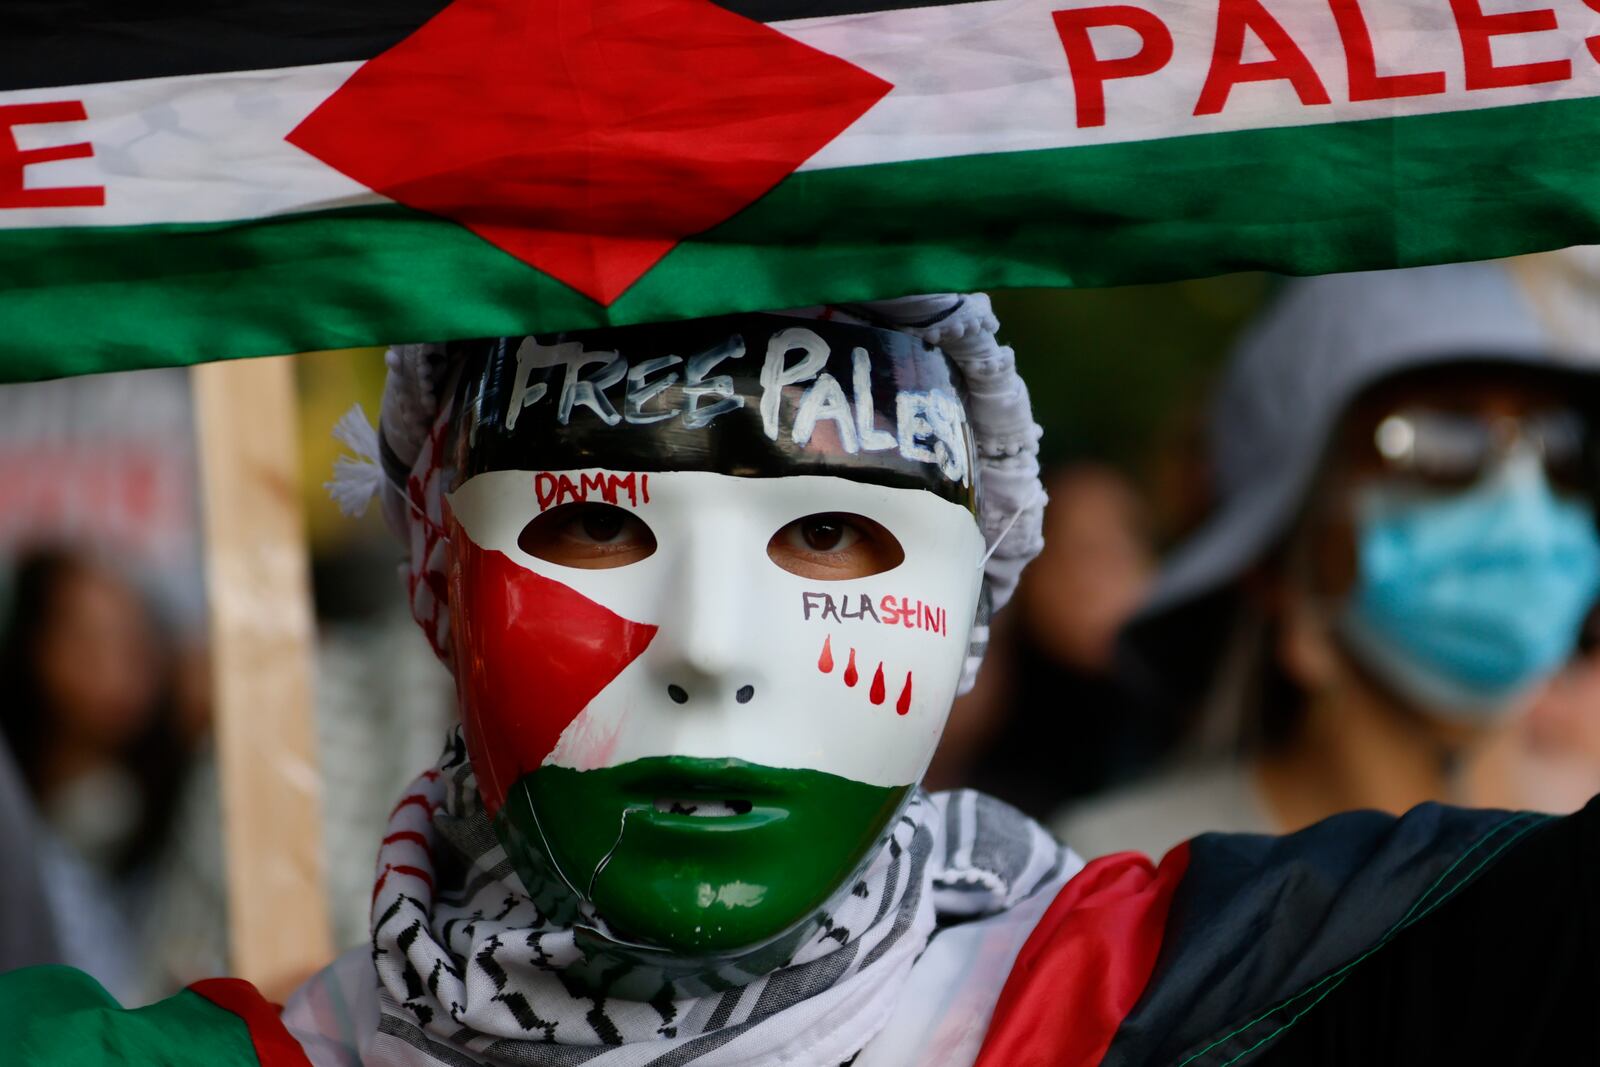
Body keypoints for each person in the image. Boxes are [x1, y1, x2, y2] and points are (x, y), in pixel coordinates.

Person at [4, 293, 1597, 1066]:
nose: (710, 641)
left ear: (978, 601)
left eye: (833, 533)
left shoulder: (1181, 1001)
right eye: (593, 526)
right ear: (436, 584)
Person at [1057, 262, 1600, 860]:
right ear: (1279, 567)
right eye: (1439, 440)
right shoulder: (1112, 889)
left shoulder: (1580, 873)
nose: (1523, 505)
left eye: (1559, 444)